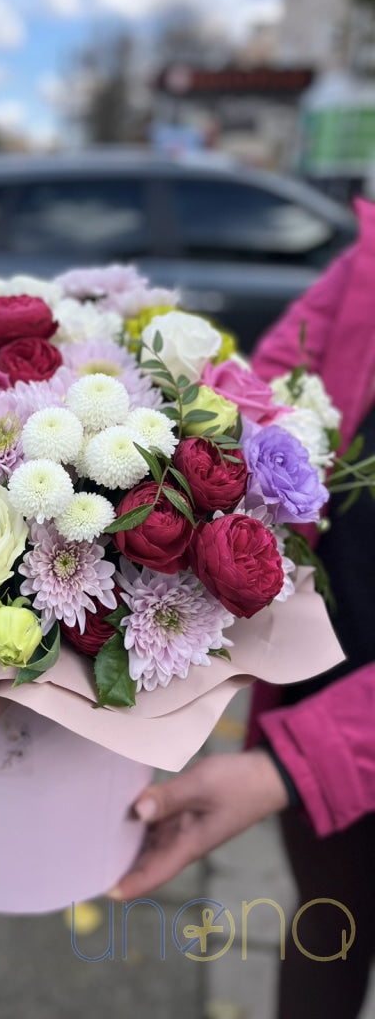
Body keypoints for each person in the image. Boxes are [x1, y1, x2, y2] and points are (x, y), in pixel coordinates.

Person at [109, 196, 375, 1019]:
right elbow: (261, 407)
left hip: (327, 741)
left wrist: (293, 767)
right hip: (322, 692)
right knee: (329, 928)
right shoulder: (365, 267)